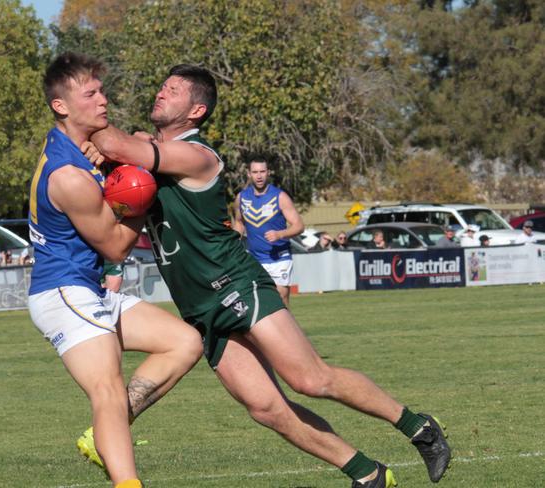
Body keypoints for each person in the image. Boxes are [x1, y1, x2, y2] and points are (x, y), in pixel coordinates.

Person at [81, 63, 451, 487]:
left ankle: (418, 428)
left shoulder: (198, 156)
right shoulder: (145, 153)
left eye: (174, 90)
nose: (161, 93)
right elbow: (125, 150)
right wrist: (114, 148)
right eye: (162, 86)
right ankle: (368, 474)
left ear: (197, 111)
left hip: (236, 284)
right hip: (199, 308)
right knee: (266, 409)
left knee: (310, 378)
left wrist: (88, 125)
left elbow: (115, 142)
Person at [27, 52, 202, 488]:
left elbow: (128, 142)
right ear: (61, 105)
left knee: (184, 342)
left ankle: (105, 435)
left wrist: (123, 160)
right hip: (64, 292)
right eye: (90, 94)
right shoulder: (68, 175)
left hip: (86, 289)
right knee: (106, 391)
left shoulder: (75, 146)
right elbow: (117, 246)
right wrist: (141, 190)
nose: (103, 99)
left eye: (102, 90)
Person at [232, 158, 305, 307]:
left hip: (279, 258)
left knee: (280, 299)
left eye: (262, 171)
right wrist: (233, 240)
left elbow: (299, 226)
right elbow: (239, 222)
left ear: (268, 173)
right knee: (257, 303)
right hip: (254, 259)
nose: (259, 176)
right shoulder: (241, 198)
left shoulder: (280, 197)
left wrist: (280, 234)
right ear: (248, 174)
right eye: (255, 172)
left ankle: (286, 330)